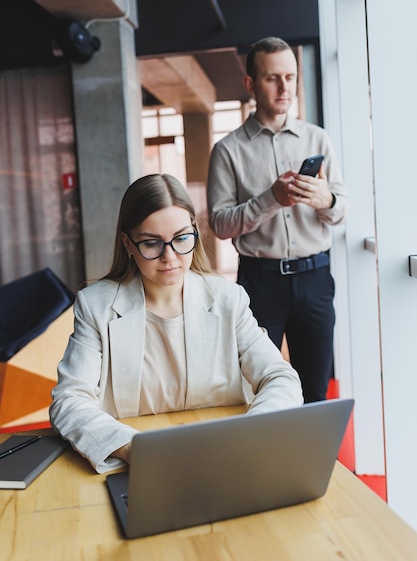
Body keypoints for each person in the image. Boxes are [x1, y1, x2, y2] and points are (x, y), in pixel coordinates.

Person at [50, 173, 303, 473]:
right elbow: (69, 400)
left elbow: (281, 378)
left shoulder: (227, 299)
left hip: (225, 460)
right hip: (141, 466)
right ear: (128, 244)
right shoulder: (96, 306)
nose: (169, 257)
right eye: (151, 243)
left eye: (181, 238)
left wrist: (246, 437)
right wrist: (139, 451)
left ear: (195, 232)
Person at [207, 37, 349, 403]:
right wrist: (271, 199)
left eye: (291, 76)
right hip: (260, 283)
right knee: (257, 392)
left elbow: (342, 210)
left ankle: (315, 462)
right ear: (251, 84)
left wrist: (325, 199)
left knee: (316, 392)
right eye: (273, 78)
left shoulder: (318, 139)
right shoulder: (227, 150)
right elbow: (220, 225)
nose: (285, 87)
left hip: (315, 279)